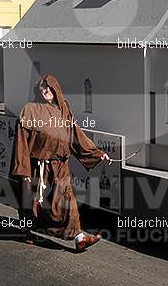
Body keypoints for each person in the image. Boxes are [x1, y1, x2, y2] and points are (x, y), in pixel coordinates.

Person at [12, 74, 109, 252]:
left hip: (60, 165)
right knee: (31, 202)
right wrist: (23, 169)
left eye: (49, 87)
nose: (46, 91)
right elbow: (21, 140)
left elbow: (75, 134)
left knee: (67, 200)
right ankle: (27, 230)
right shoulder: (30, 109)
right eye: (42, 88)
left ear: (56, 89)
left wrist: (96, 153)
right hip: (36, 166)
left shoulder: (64, 109)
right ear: (37, 91)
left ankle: (79, 237)